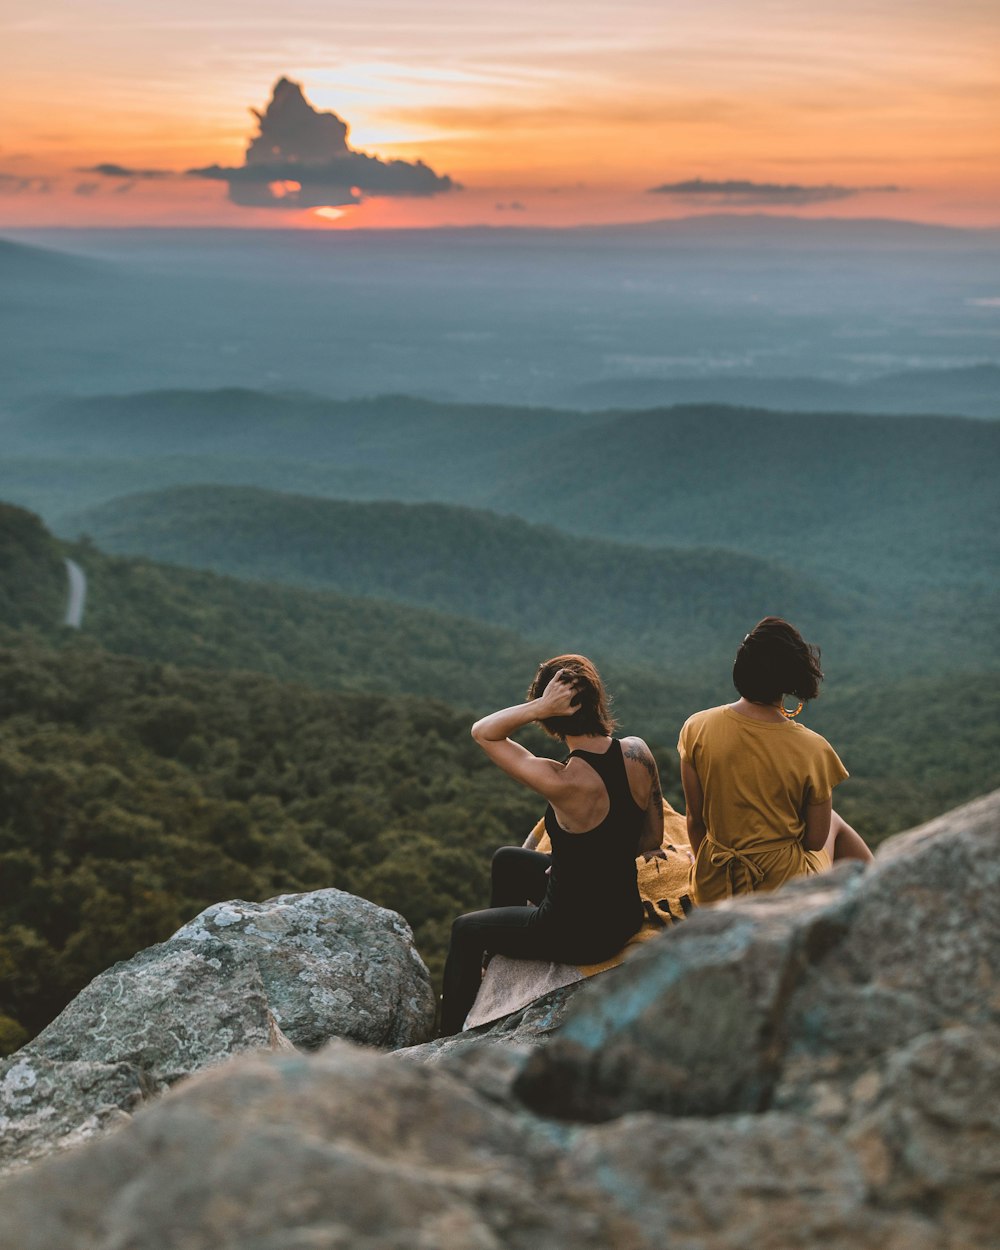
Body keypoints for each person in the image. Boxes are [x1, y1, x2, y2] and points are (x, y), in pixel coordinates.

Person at [439, 654, 664, 1035]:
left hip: (576, 932)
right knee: (507, 859)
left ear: (550, 719)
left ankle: (445, 1039)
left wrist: (538, 706)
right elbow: (651, 840)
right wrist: (579, 857)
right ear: (597, 702)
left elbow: (483, 732)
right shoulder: (636, 752)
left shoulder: (562, 780)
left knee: (465, 930)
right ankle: (502, 952)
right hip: (623, 914)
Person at [678, 616, 873, 905]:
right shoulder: (813, 749)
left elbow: (695, 820)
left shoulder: (697, 727)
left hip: (715, 883)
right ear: (790, 679)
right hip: (782, 888)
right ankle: (880, 893)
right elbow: (814, 842)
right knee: (833, 821)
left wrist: (704, 868)